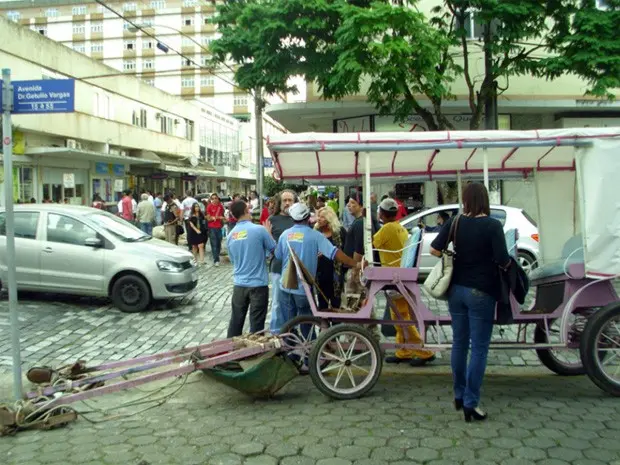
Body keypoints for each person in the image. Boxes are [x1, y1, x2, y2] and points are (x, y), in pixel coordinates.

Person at [430, 183, 510, 422]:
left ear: (465, 200)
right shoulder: (493, 225)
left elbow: (435, 250)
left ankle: (458, 394)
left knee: (459, 344)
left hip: (456, 291)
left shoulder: (456, 222)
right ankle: (470, 402)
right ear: (484, 200)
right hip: (481, 293)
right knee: (479, 348)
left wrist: (454, 255)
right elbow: (503, 260)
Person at [274, 203, 361, 325]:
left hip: (285, 286)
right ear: (307, 218)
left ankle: (290, 343)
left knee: (288, 324)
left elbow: (278, 256)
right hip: (303, 290)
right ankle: (310, 343)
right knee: (307, 323)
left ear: (292, 218)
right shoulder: (315, 236)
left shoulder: (284, 235)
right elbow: (335, 253)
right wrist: (355, 264)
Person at [374, 198, 436, 366]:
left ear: (382, 214)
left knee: (401, 317)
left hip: (395, 277)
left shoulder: (387, 229)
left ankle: (423, 352)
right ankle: (404, 350)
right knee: (399, 315)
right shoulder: (399, 227)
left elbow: (372, 243)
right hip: (400, 275)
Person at [226, 200, 277, 337]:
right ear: (245, 211)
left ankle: (230, 350)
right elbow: (275, 250)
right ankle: (254, 353)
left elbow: (233, 260)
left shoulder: (230, 236)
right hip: (258, 284)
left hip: (239, 284)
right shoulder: (259, 230)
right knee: (257, 324)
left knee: (236, 321)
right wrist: (269, 233)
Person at [264, 190, 296, 334]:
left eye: (290, 200)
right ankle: (276, 333)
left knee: (295, 302)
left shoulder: (300, 219)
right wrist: (269, 236)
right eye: (285, 200)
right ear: (280, 202)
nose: (287, 203)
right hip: (278, 267)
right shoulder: (272, 219)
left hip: (297, 268)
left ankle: (293, 331)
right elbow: (269, 247)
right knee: (277, 302)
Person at [314, 206, 346, 310]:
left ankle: (336, 326)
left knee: (336, 304)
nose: (319, 219)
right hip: (320, 275)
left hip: (336, 274)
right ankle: (323, 325)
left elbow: (346, 251)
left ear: (329, 218)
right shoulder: (315, 232)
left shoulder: (340, 232)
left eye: (322, 217)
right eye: (318, 216)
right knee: (322, 305)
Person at [206, 193, 225, 266]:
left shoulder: (220, 206)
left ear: (218, 199)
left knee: (219, 243)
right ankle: (216, 260)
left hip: (219, 227)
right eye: (213, 198)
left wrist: (222, 218)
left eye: (215, 198)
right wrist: (214, 218)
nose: (214, 200)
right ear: (211, 199)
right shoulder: (209, 207)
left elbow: (223, 215)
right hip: (212, 227)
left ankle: (216, 256)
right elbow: (208, 218)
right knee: (214, 243)